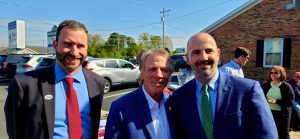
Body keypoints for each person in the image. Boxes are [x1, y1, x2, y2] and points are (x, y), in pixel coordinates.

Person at [4, 20, 105, 139]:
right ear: (55, 45)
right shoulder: (24, 84)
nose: (74, 52)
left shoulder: (98, 83)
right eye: (68, 44)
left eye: (80, 46)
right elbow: (15, 131)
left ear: (87, 48)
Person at [171, 32, 277, 139]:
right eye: (196, 52)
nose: (204, 57)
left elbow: (267, 135)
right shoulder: (179, 97)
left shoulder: (248, 89)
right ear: (187, 58)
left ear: (218, 54)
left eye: (209, 51)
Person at [104, 48, 175, 139]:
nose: (159, 75)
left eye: (164, 69)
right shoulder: (120, 108)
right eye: (152, 69)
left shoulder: (174, 103)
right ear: (142, 73)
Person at [261, 66, 294, 139]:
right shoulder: (265, 85)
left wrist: (276, 101)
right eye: (271, 72)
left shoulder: (286, 86)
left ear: (281, 74)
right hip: (269, 114)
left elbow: (290, 101)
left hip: (282, 115)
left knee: (283, 135)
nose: (273, 74)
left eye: (276, 73)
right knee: (269, 134)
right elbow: (259, 97)